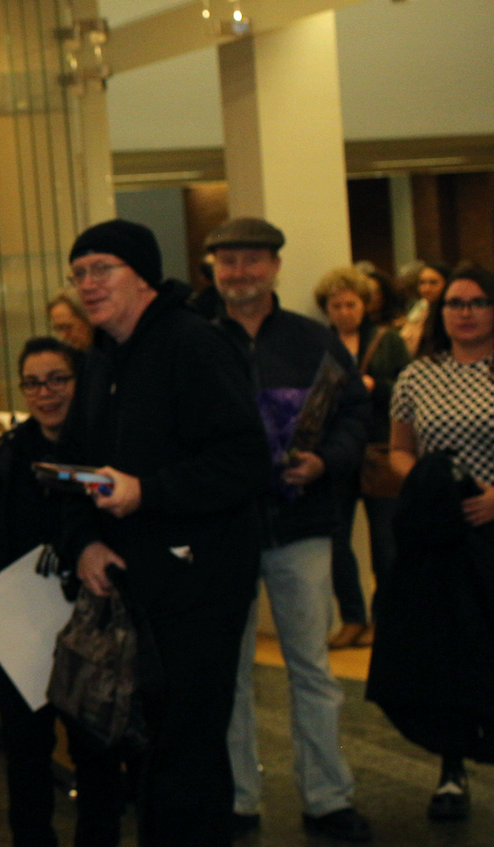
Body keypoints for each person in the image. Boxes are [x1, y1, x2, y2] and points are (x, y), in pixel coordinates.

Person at [54, 219, 270, 847]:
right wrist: (84, 541)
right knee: (147, 748)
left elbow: (245, 461)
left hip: (200, 585)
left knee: (187, 750)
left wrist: (149, 491)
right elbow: (77, 467)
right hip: (135, 585)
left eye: (102, 269)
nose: (87, 285)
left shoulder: (193, 344)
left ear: (143, 276)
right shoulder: (101, 360)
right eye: (78, 274)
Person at [202, 218, 373, 842]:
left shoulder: (313, 340)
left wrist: (326, 459)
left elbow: (356, 412)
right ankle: (239, 798)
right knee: (232, 670)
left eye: (250, 261)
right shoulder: (200, 341)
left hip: (302, 524)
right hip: (225, 530)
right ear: (214, 270)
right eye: (227, 262)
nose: (238, 273)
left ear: (274, 267)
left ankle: (328, 797)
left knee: (313, 667)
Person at [0, 336, 124, 847]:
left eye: (57, 380)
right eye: (33, 383)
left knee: (94, 747)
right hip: (19, 619)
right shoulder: (7, 449)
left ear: (78, 381)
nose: (45, 393)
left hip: (90, 617)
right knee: (25, 746)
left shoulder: (101, 443)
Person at [380, 265, 494, 822]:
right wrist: (426, 481)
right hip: (440, 535)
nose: (464, 312)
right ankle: (452, 768)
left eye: (477, 302)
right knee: (448, 651)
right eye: (454, 303)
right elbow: (398, 449)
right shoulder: (417, 376)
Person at [316, 266, 412, 649]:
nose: (344, 312)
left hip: (380, 449)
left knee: (386, 542)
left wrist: (377, 387)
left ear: (365, 304)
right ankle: (353, 617)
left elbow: (409, 389)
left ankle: (384, 618)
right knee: (337, 539)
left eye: (350, 304)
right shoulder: (320, 342)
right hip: (338, 452)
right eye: (336, 305)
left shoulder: (387, 341)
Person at [397, 260, 450, 353]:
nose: (427, 288)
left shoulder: (450, 312)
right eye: (422, 283)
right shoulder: (421, 307)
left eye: (433, 283)